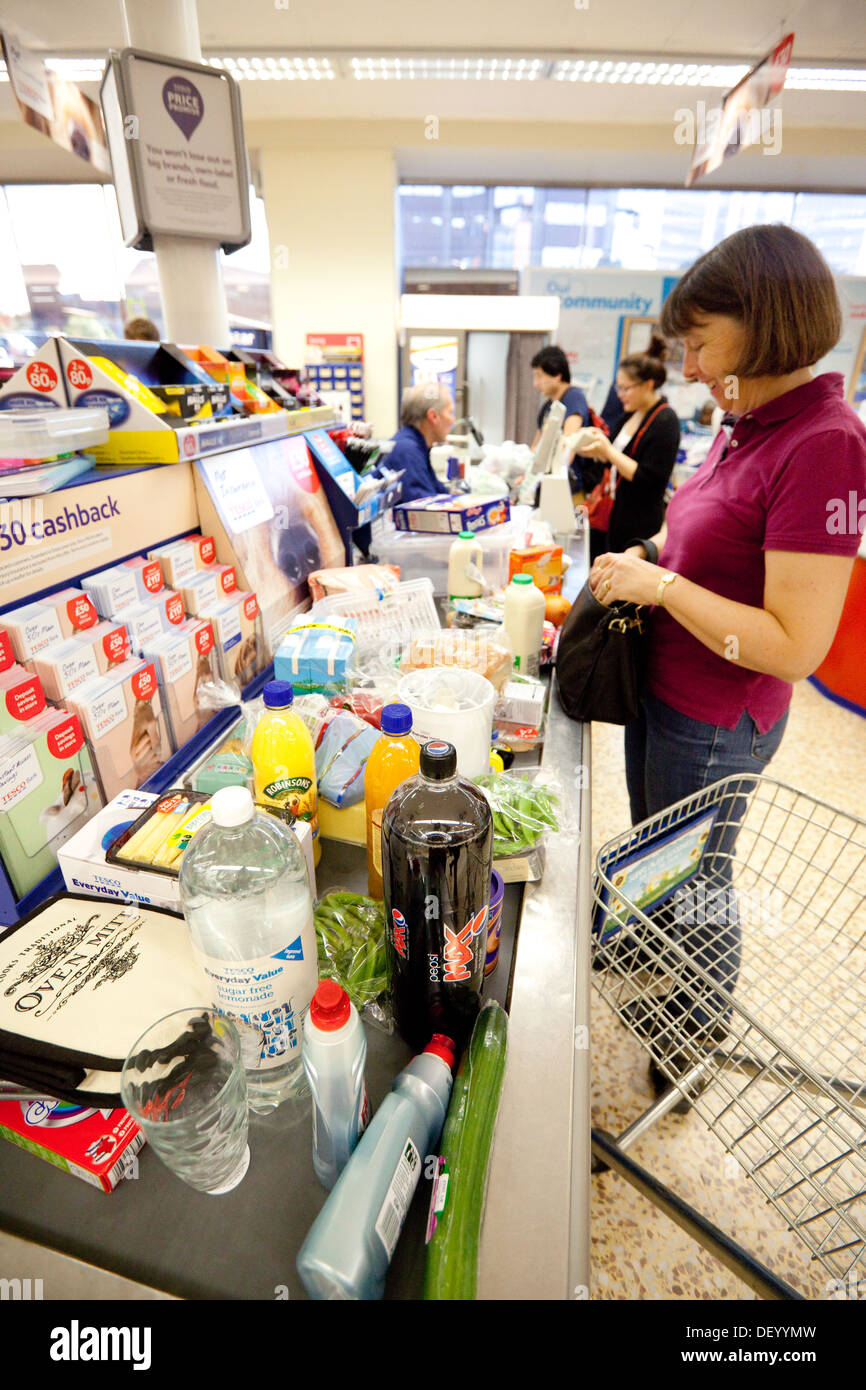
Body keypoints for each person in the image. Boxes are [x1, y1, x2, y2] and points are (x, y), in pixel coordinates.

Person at [588, 225, 866, 1105]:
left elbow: (795, 644)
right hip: (663, 690)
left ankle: (700, 1022)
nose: (695, 365)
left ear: (765, 321)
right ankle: (665, 978)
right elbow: (699, 527)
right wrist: (644, 557)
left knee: (699, 878)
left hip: (718, 718)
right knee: (654, 852)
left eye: (703, 341)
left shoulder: (826, 443)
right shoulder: (744, 423)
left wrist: (663, 587)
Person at [576, 335, 680, 554]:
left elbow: (649, 478)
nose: (620, 395)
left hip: (638, 522)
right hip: (614, 514)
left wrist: (608, 451)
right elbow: (613, 458)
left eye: (626, 388)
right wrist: (595, 446)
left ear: (648, 385)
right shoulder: (630, 414)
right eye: (618, 388)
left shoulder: (665, 421)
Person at [384, 382, 455, 504]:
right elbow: (424, 509)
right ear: (433, 416)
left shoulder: (417, 446)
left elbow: (439, 493)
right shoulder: (407, 451)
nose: (453, 420)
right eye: (450, 412)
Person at [529, 345, 588, 451]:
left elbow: (567, 450)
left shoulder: (574, 398)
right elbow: (535, 447)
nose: (535, 384)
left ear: (557, 375)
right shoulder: (547, 406)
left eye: (539, 376)